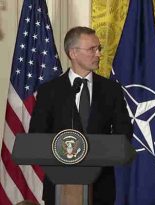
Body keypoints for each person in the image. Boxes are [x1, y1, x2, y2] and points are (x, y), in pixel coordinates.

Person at [29, 26, 132, 205]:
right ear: (73, 53)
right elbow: (36, 136)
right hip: (59, 187)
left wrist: (100, 149)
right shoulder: (49, 91)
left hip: (101, 188)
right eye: (93, 49)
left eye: (99, 48)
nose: (99, 54)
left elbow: (124, 132)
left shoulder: (111, 90)